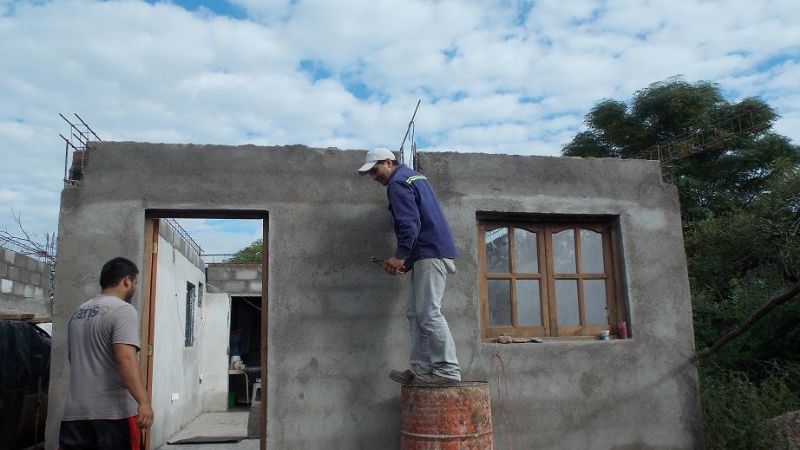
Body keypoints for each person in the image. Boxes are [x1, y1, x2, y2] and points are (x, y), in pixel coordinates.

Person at [359, 148, 461, 386]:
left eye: (375, 171)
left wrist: (400, 255)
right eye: (370, 175)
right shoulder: (413, 177)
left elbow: (410, 223)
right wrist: (407, 260)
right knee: (416, 314)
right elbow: (422, 219)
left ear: (388, 162)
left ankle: (447, 370)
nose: (374, 177)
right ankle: (421, 369)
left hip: (429, 251)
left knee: (429, 313)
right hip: (427, 251)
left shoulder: (397, 183)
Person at [59, 257, 153, 450]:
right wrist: (143, 401)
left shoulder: (78, 313)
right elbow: (125, 359)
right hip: (113, 416)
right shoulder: (123, 310)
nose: (134, 288)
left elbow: (73, 359)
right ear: (127, 280)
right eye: (135, 283)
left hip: (74, 416)